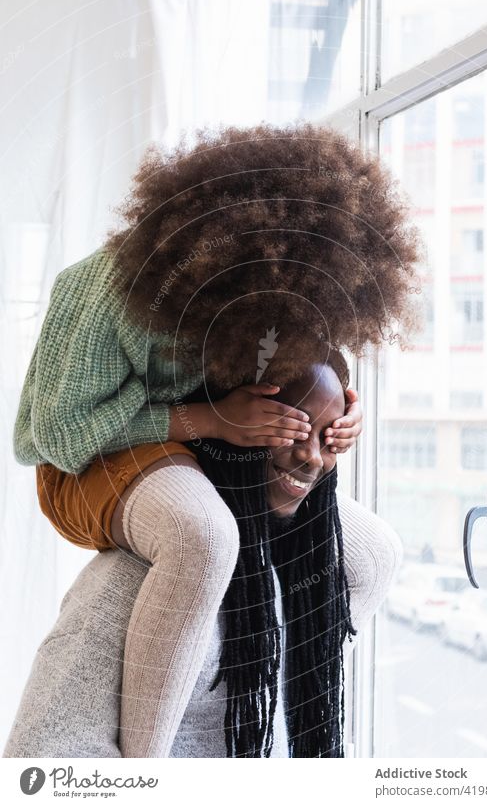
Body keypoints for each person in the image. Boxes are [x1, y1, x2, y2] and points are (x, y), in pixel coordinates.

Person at [11, 121, 423, 757]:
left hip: (204, 443)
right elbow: (60, 436)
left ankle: (294, 725)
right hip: (87, 457)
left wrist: (338, 412)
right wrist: (209, 421)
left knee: (374, 553)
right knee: (202, 536)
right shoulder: (102, 290)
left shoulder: (268, 293)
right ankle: (145, 769)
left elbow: (301, 373)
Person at [4, 354, 403, 759]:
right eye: (290, 427)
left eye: (328, 435)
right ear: (236, 421)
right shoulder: (128, 585)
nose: (313, 458)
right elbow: (40, 764)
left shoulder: (307, 583)